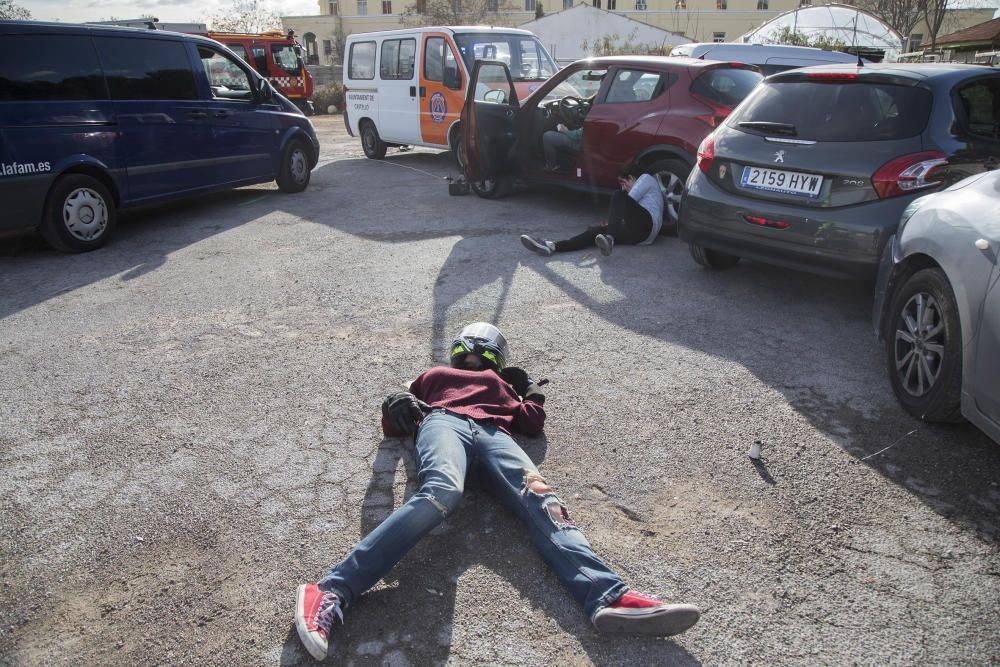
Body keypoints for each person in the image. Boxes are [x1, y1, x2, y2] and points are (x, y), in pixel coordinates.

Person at [295, 322, 700, 661]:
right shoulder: (435, 375)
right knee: (442, 491)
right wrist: (394, 402)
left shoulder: (500, 385)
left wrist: (528, 392)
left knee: (543, 499)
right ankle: (331, 589)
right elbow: (398, 417)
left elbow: (531, 423)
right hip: (444, 422)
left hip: (494, 434)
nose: (474, 357)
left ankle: (606, 595)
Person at [520, 162, 664, 258]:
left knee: (618, 196)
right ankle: (552, 246)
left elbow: (624, 201)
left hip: (647, 224)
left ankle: (610, 238)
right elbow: (626, 212)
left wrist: (610, 224)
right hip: (639, 237)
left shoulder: (646, 178)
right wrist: (608, 225)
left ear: (632, 177)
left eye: (624, 183)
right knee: (593, 232)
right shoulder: (638, 198)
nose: (623, 187)